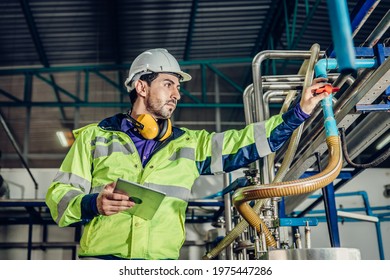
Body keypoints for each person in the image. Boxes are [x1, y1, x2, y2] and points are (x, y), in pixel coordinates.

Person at [45, 48, 330, 260]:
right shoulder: (95, 137)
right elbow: (59, 197)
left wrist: (299, 112)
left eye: (178, 87)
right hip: (100, 262)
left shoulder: (190, 145)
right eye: (168, 84)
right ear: (141, 86)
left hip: (162, 266)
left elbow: (246, 143)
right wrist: (93, 203)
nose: (177, 94)